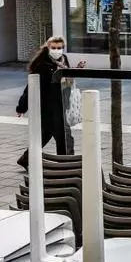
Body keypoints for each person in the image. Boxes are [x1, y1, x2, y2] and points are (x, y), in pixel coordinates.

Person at [16, 36, 86, 168]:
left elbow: (66, 77)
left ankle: (25, 159)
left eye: (59, 48)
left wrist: (77, 69)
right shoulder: (42, 64)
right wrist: (21, 107)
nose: (56, 50)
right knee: (65, 138)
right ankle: (67, 166)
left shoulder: (64, 59)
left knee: (45, 135)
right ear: (48, 48)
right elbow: (31, 86)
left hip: (62, 103)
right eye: (53, 47)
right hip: (49, 107)